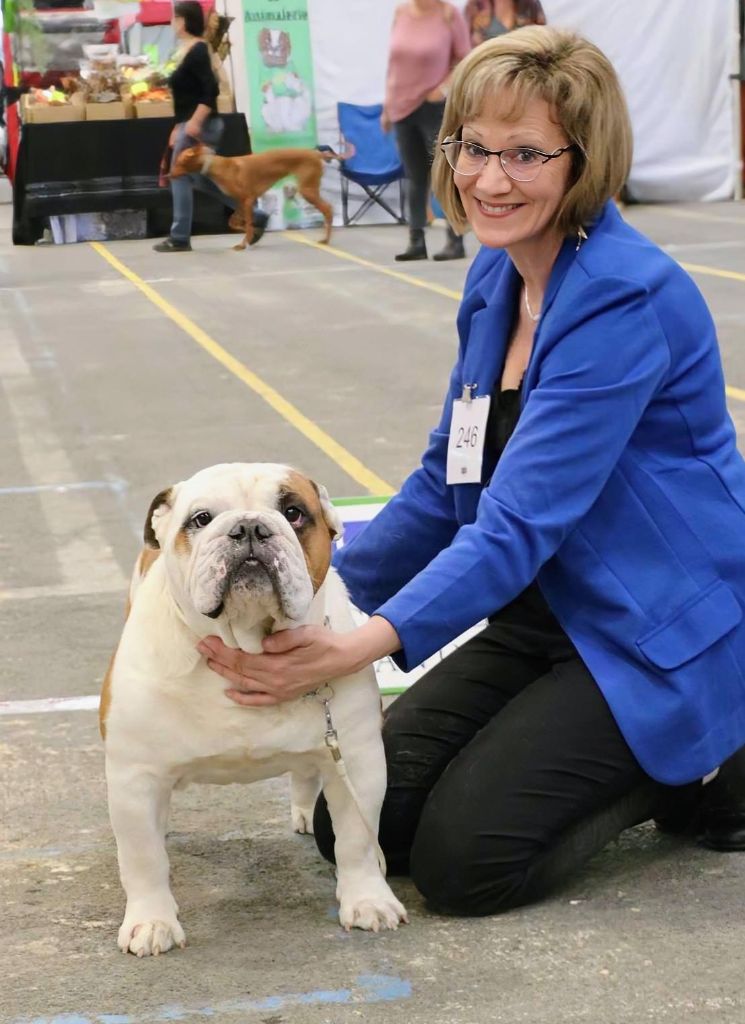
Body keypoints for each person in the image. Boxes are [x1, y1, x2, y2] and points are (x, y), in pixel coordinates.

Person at [197, 26, 745, 916]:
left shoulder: (619, 297)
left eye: (525, 153)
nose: (488, 180)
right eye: (472, 148)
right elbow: (444, 485)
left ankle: (695, 760)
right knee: (361, 826)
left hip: (655, 624)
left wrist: (356, 645)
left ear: (583, 159)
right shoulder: (496, 280)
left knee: (467, 866)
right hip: (545, 611)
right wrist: (309, 591)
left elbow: (516, 522)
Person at [154, 1, 268, 253]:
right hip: (190, 123)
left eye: (175, 18)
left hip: (201, 124)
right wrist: (178, 126)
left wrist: (194, 122)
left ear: (183, 21)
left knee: (179, 175)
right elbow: (185, 97)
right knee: (200, 177)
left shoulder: (197, 51)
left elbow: (210, 91)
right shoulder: (184, 50)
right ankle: (254, 212)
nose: (172, 23)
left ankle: (180, 236)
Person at [382, 0, 471, 262]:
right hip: (402, 108)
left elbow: (464, 59)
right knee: (415, 176)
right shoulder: (401, 13)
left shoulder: (448, 15)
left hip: (434, 107)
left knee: (444, 173)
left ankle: (456, 239)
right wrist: (387, 107)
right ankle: (416, 241)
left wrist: (442, 90)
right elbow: (393, 66)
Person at [464, 0, 545, 47]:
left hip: (527, 70)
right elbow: (466, 47)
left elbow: (544, 41)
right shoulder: (476, 6)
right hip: (488, 71)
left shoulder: (529, 4)